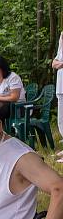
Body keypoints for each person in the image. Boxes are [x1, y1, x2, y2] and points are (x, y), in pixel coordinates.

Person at [52, 32, 63, 162]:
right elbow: (54, 63)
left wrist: (60, 64)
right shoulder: (61, 41)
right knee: (61, 118)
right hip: (60, 87)